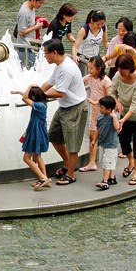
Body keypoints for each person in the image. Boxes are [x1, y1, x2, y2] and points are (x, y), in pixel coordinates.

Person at [40, 39, 88, 185]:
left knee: (72, 145)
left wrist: (41, 95)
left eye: (46, 53)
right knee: (54, 136)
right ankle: (68, 165)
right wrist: (36, 92)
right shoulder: (59, 65)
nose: (45, 56)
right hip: (64, 108)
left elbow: (59, 92)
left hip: (75, 108)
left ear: (54, 53)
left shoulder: (67, 68)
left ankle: (71, 174)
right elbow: (50, 83)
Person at [109, 54, 136, 186]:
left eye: (122, 70)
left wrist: (122, 120)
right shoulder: (118, 76)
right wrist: (116, 102)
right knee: (124, 141)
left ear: (130, 68)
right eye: (119, 70)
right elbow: (112, 91)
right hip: (125, 114)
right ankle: (130, 161)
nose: (120, 73)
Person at [12, 85, 50, 189]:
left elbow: (24, 98)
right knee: (37, 157)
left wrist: (29, 86)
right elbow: (26, 96)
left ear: (33, 97)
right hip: (38, 133)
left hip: (36, 134)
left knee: (26, 158)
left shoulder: (39, 106)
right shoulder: (42, 104)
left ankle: (43, 178)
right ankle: (44, 178)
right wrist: (19, 91)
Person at [79, 56, 111, 172]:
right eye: (89, 68)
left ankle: (108, 164)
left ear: (99, 69)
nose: (89, 71)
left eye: (91, 68)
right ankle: (92, 162)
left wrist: (96, 102)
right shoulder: (90, 78)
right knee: (92, 136)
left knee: (106, 137)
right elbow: (79, 81)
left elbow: (109, 99)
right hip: (94, 113)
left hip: (104, 113)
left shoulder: (106, 81)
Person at [92, 96, 120, 190]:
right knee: (107, 161)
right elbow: (98, 129)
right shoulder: (100, 117)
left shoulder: (113, 117)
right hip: (103, 143)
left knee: (107, 163)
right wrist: (94, 140)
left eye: (101, 108)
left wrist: (114, 117)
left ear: (109, 110)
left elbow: (117, 128)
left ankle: (105, 181)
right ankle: (112, 178)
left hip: (111, 145)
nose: (100, 109)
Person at [16, 0, 48, 67]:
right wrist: (36, 27)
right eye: (40, 3)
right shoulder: (24, 12)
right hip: (25, 46)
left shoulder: (30, 6)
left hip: (31, 44)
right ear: (33, 0)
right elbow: (20, 32)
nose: (41, 5)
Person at [72, 10, 109, 75]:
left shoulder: (103, 28)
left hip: (95, 56)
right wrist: (75, 56)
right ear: (92, 21)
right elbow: (75, 46)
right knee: (82, 75)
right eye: (97, 24)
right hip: (83, 56)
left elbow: (105, 43)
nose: (100, 26)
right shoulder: (84, 29)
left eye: (102, 24)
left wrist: (114, 49)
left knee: (101, 75)